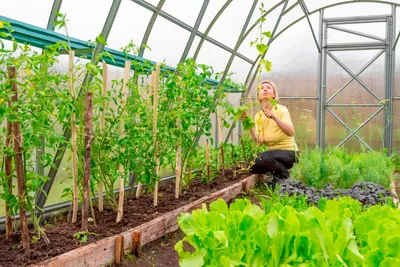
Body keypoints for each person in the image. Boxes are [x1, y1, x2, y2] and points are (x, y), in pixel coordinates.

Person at [243, 80, 299, 182]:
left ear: (274, 95)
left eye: (268, 87)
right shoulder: (258, 116)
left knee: (265, 158)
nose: (264, 89)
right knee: (251, 164)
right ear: (258, 96)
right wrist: (250, 127)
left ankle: (288, 180)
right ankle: (277, 175)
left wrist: (274, 117)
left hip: (289, 153)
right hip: (272, 156)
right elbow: (259, 142)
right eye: (262, 88)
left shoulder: (281, 110)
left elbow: (291, 132)